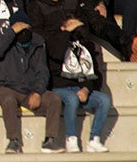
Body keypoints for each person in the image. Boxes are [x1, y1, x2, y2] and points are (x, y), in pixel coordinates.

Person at [0, 10, 63, 154]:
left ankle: (50, 140)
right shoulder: (5, 42)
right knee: (8, 100)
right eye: (19, 28)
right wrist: (12, 31)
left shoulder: (38, 43)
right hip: (6, 88)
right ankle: (13, 141)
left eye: (25, 27)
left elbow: (43, 71)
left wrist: (37, 92)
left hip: (29, 90)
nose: (23, 31)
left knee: (54, 99)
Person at [45, 16, 112, 153]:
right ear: (63, 28)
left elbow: (91, 72)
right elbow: (56, 55)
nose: (74, 29)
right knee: (71, 98)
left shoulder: (84, 46)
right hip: (59, 88)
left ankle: (94, 140)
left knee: (104, 100)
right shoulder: (54, 41)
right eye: (71, 26)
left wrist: (86, 89)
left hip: (79, 88)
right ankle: (71, 138)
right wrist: (66, 33)